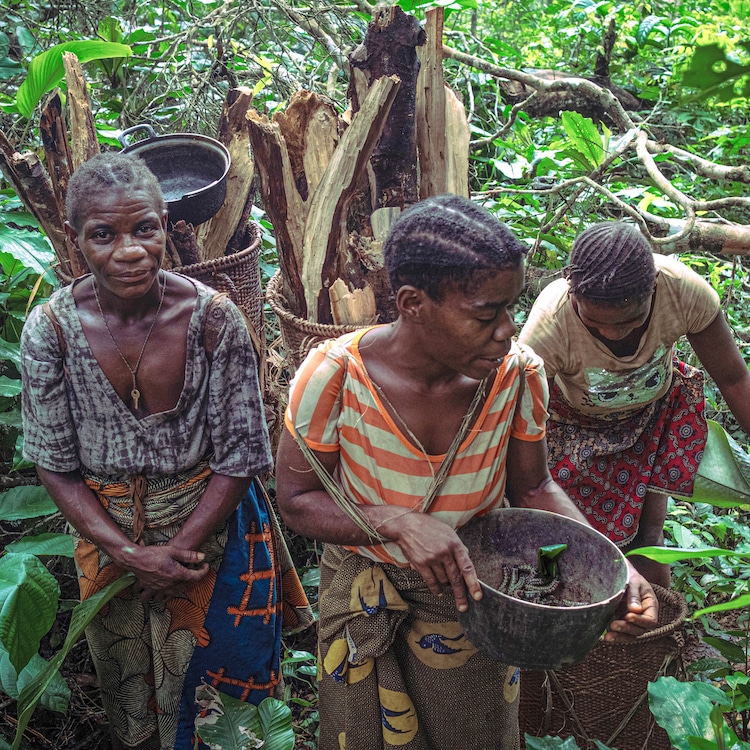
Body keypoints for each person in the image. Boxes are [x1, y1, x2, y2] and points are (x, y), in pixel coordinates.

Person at [275, 195, 658, 750]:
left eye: (511, 308)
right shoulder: (335, 377)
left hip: (478, 601)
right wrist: (398, 523)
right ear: (412, 303)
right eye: (486, 314)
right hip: (362, 593)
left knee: (474, 731)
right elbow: (297, 499)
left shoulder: (517, 377)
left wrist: (610, 566)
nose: (507, 329)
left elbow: (534, 486)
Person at [20, 152, 310, 750]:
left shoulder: (213, 319)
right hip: (108, 537)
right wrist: (128, 552)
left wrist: (175, 551)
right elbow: (54, 463)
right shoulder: (51, 329)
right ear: (78, 242)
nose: (129, 250)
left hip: (215, 532)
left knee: (230, 708)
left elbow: (239, 456)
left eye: (143, 229)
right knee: (133, 701)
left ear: (165, 227)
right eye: (105, 235)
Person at [518, 220, 750, 589]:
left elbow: (735, 381)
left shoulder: (683, 292)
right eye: (594, 323)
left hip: (651, 419)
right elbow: (521, 423)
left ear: (653, 289)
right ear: (573, 293)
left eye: (629, 321)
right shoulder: (550, 325)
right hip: (570, 428)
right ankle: (556, 611)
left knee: (648, 535)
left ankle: (653, 629)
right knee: (555, 540)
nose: (612, 333)